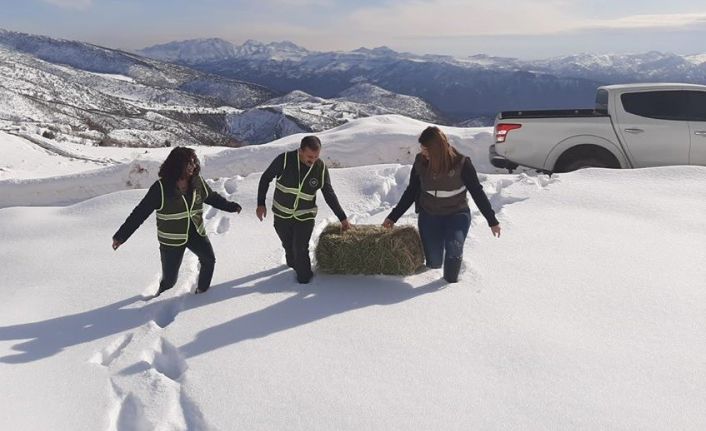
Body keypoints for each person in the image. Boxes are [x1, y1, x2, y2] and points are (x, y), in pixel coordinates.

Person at [112, 147, 242, 296]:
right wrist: (121, 236)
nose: (193, 165)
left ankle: (201, 293)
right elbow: (139, 213)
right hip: (171, 239)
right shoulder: (160, 188)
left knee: (209, 260)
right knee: (170, 281)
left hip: (195, 231)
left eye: (194, 162)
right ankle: (158, 297)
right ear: (178, 165)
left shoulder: (197, 181)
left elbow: (211, 197)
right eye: (189, 163)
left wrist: (230, 206)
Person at [383, 126, 501, 283]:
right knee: (434, 262)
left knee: (454, 247)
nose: (422, 152)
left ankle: (450, 287)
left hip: (457, 214)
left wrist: (492, 220)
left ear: (437, 149)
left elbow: (477, 192)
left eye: (426, 149)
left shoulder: (462, 163)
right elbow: (411, 191)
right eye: (422, 148)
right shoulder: (420, 162)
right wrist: (393, 217)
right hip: (429, 215)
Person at [257, 135, 351, 283]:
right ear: (300, 151)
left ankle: (305, 280)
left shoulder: (320, 168)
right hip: (282, 214)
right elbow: (265, 178)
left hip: (305, 216)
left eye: (316, 156)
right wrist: (260, 203)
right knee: (288, 246)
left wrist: (343, 218)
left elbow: (329, 194)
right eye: (309, 156)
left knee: (300, 249)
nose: (312, 160)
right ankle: (291, 262)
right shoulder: (284, 160)